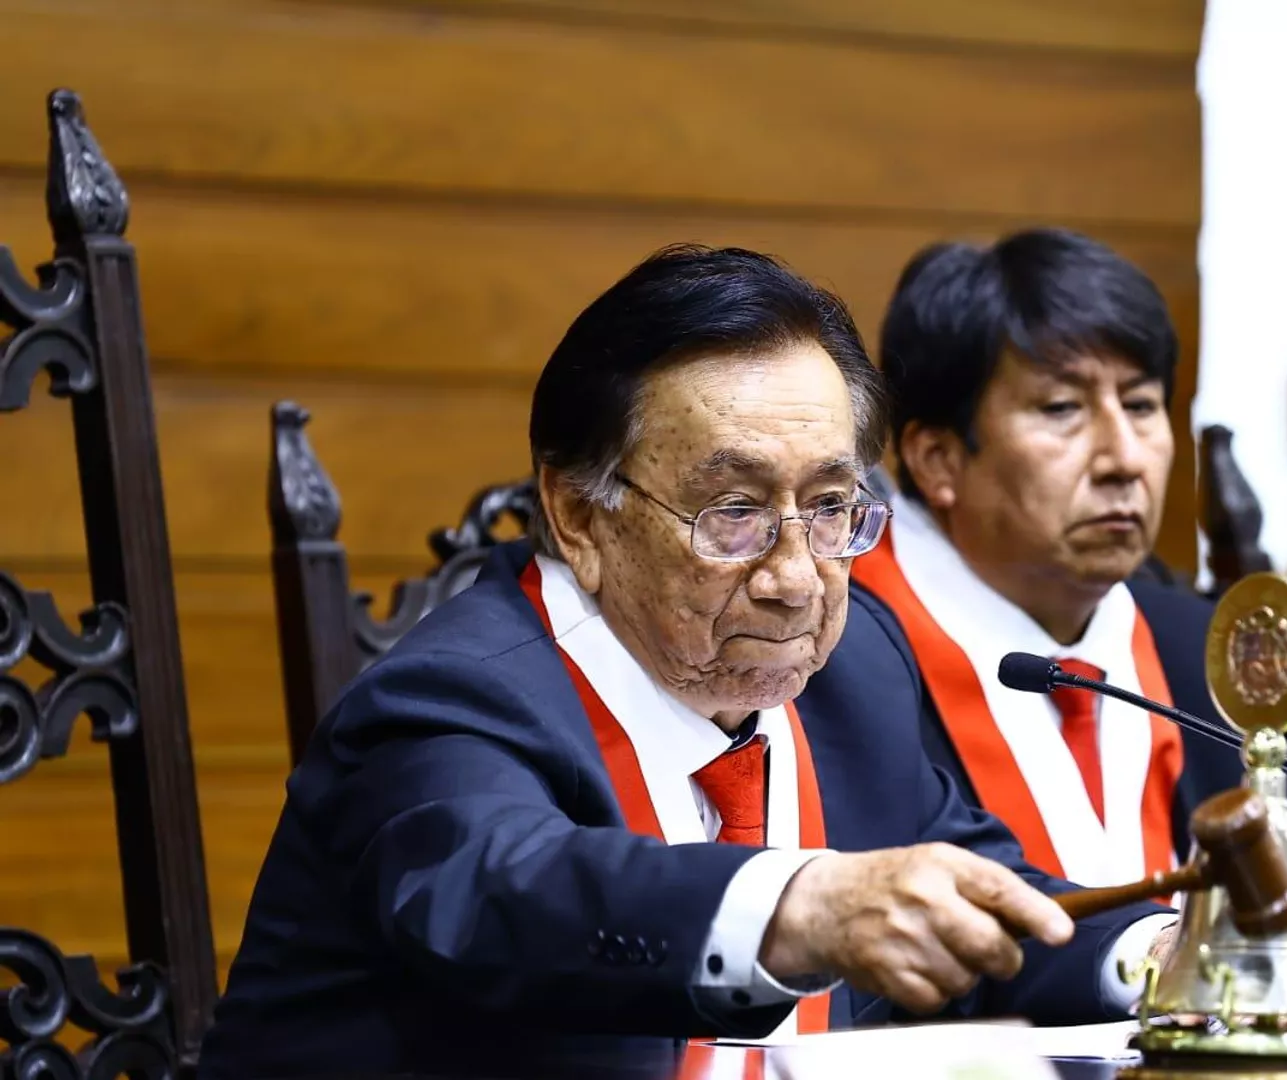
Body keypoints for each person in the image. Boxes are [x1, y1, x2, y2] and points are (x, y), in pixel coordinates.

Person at [198, 245, 1177, 1079]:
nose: (797, 579)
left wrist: (1163, 959)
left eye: (833, 506)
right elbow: (515, 891)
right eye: (735, 513)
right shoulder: (451, 702)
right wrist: (800, 906)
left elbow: (979, 903)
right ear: (581, 515)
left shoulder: (853, 673)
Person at [851, 228, 1242, 893]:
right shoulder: (836, 660)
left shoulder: (1197, 650)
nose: (1124, 459)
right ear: (937, 459)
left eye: (1142, 405)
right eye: (1063, 408)